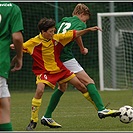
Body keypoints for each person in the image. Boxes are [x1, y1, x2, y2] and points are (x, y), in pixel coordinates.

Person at [20, 17, 120, 131]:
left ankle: (100, 110)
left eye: (54, 31)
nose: (53, 33)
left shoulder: (57, 38)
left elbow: (75, 34)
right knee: (40, 90)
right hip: (45, 71)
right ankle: (33, 121)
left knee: (81, 86)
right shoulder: (33, 42)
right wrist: (13, 46)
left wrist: (89, 29)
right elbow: (20, 46)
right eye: (51, 31)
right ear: (43, 32)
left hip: (60, 70)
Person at [0, 2, 24, 131]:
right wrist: (19, 56)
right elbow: (17, 37)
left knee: (4, 102)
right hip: (0, 61)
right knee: (3, 106)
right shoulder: (11, 8)